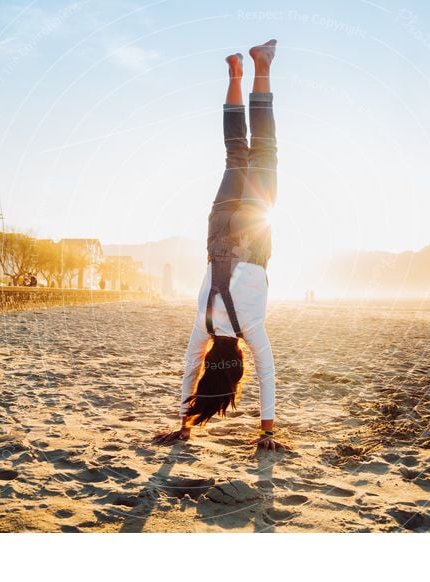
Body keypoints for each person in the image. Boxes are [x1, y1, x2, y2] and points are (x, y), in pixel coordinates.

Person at [153, 40, 288, 451]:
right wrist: (183, 422)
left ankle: (260, 64)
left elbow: (268, 373)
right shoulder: (203, 324)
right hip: (218, 231)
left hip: (253, 235)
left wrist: (267, 432)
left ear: (235, 366)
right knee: (234, 156)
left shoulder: (252, 328)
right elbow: (189, 368)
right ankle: (234, 72)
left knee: (263, 151)